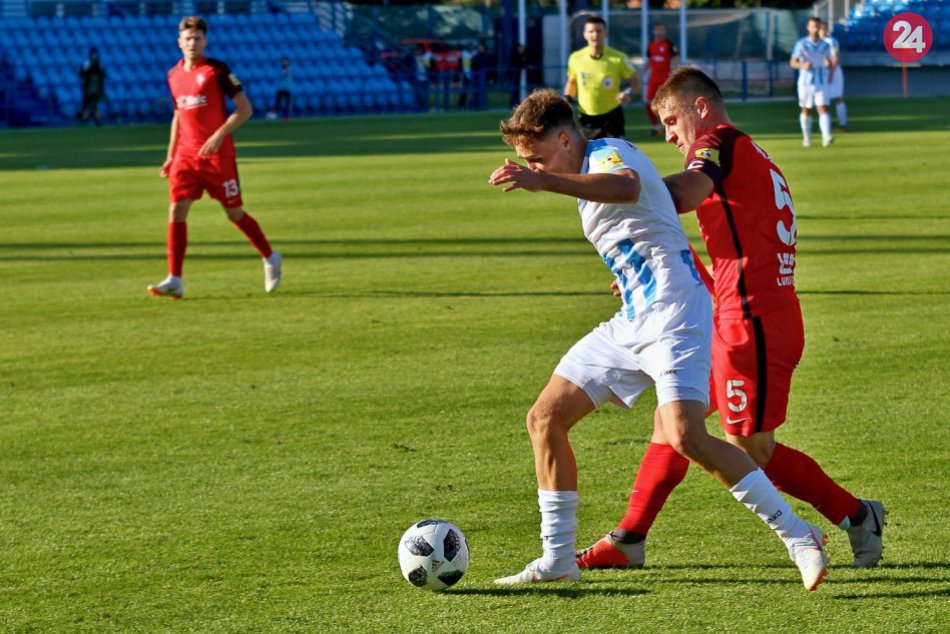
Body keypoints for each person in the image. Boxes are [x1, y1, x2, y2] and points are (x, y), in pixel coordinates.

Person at [488, 88, 829, 591]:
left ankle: (800, 536)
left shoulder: (610, 151)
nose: (534, 166)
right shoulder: (583, 169)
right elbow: (645, 215)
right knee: (544, 418)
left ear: (565, 139)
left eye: (538, 156)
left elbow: (626, 187)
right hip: (632, 318)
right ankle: (558, 557)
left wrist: (543, 180)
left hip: (675, 314)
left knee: (686, 435)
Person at [575, 67, 885, 572]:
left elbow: (683, 195)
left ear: (700, 107)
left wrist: (630, 186)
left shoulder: (717, 142)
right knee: (673, 420)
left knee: (750, 449)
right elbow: (735, 251)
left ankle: (856, 515)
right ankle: (629, 537)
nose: (671, 136)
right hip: (734, 315)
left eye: (672, 121)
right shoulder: (750, 153)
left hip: (756, 324)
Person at [148, 16, 282, 299]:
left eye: (197, 38)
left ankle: (270, 256)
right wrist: (170, 155)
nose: (192, 43)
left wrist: (219, 134)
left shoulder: (217, 70)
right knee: (176, 210)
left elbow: (245, 109)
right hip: (186, 157)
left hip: (217, 157)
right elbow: (177, 115)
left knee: (233, 213)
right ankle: (175, 278)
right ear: (179, 42)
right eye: (187, 39)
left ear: (205, 41)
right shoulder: (173, 74)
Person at [564, 16, 639, 140]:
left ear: (606, 33)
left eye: (599, 31)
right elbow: (572, 82)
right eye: (591, 31)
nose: (595, 35)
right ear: (585, 34)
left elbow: (635, 82)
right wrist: (567, 100)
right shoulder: (575, 58)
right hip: (586, 116)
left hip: (612, 115)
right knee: (590, 156)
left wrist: (628, 93)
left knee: (616, 156)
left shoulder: (618, 58)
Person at [790, 17, 835, 147]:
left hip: (821, 81)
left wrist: (829, 64)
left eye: (818, 26)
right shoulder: (801, 44)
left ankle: (826, 137)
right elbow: (793, 62)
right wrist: (802, 65)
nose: (816, 29)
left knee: (823, 108)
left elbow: (828, 61)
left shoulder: (825, 45)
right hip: (806, 82)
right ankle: (807, 138)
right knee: (806, 109)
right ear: (808, 28)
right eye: (813, 26)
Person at [644, 23, 678, 137]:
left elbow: (676, 58)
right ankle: (655, 126)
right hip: (653, 80)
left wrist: (675, 73)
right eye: (657, 29)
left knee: (667, 105)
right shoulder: (650, 45)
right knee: (648, 103)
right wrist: (641, 73)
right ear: (654, 31)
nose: (660, 32)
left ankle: (670, 127)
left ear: (664, 31)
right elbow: (649, 60)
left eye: (662, 29)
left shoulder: (668, 44)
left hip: (665, 80)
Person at [820, 20, 847, 130]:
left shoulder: (831, 41)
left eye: (821, 28)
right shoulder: (817, 42)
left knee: (837, 98)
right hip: (823, 72)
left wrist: (831, 73)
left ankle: (843, 124)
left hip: (833, 72)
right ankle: (829, 124)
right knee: (823, 100)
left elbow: (835, 58)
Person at [78, 48, 106, 126]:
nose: (94, 56)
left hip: (96, 87)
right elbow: (82, 74)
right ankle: (86, 120)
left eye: (95, 54)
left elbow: (103, 75)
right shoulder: (87, 63)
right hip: (89, 87)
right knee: (88, 105)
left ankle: (96, 119)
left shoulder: (100, 63)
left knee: (94, 105)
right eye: (93, 54)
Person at [508, 43, 529, 108]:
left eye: (522, 48)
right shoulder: (515, 55)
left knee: (518, 89)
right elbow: (515, 63)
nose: (521, 50)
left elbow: (525, 63)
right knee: (515, 89)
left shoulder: (524, 55)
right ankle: (512, 103)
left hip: (519, 75)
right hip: (514, 75)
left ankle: (517, 102)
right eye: (520, 48)